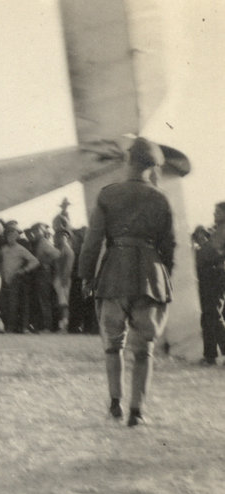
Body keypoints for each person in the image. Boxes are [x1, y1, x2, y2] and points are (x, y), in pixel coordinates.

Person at [78, 137, 175, 427]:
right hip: (150, 276)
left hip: (113, 275)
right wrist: (163, 277)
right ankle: (137, 411)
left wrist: (85, 275)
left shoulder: (108, 194)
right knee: (144, 348)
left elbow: (92, 241)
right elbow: (168, 246)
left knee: (113, 344)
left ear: (128, 161)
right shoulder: (160, 198)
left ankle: (115, 404)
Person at [196, 204, 225, 364]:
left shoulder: (222, 230)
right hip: (214, 273)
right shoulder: (218, 229)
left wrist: (200, 248)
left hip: (214, 273)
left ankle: (211, 355)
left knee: (212, 313)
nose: (214, 213)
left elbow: (211, 251)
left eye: (218, 211)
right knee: (209, 314)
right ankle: (209, 355)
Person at [0, 223, 39, 333]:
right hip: (4, 279)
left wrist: (23, 270)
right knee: (5, 304)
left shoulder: (20, 249)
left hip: (15, 279)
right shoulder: (4, 249)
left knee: (14, 304)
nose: (11, 238)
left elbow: (35, 261)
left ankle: (14, 328)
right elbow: (2, 263)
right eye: (9, 235)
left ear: (16, 237)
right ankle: (8, 327)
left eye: (13, 235)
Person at [52, 221, 76, 331]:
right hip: (59, 279)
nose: (59, 238)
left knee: (63, 304)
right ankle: (62, 325)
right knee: (61, 303)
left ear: (66, 237)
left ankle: (64, 326)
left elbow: (68, 268)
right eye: (58, 236)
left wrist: (63, 281)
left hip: (63, 279)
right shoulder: (60, 249)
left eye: (62, 236)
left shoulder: (67, 251)